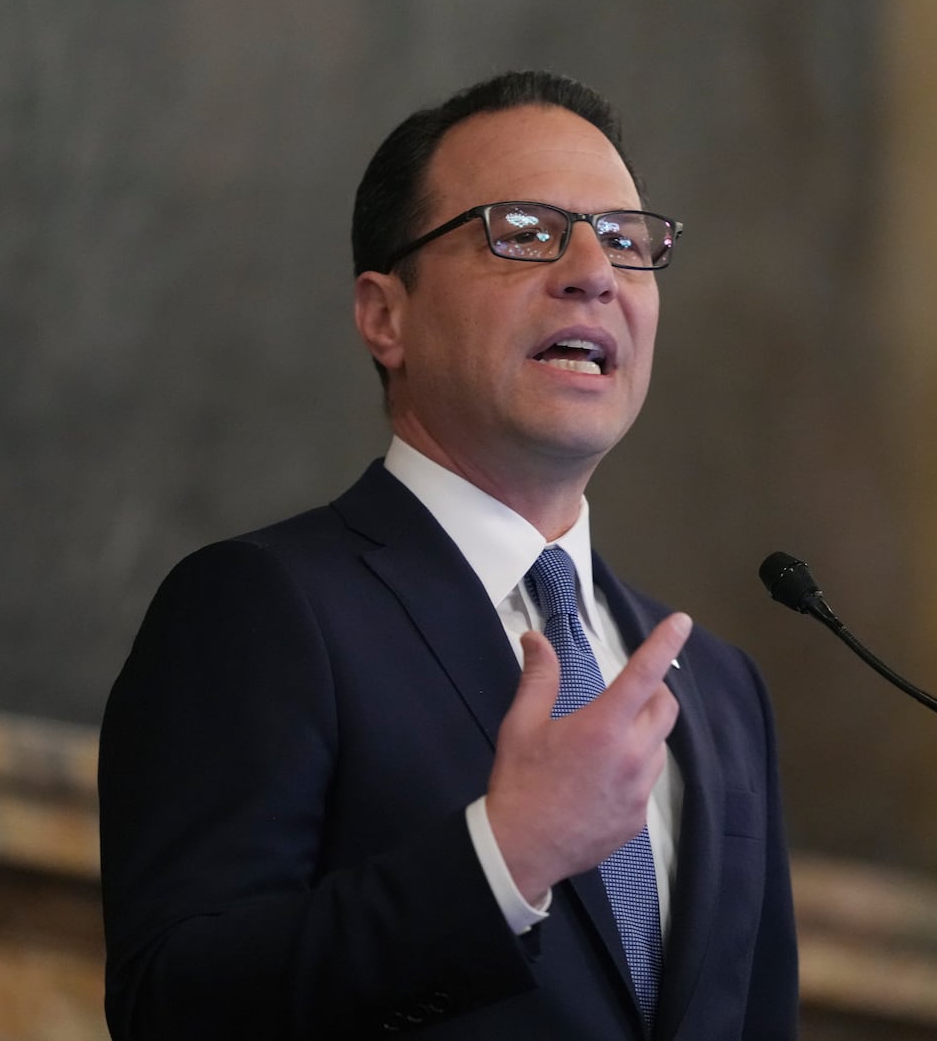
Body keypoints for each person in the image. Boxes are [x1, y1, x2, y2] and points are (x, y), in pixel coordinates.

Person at [98, 70, 798, 1039]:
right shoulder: (265, 608)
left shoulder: (718, 692)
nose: (593, 269)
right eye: (524, 230)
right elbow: (174, 1004)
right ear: (386, 315)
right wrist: (502, 857)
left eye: (627, 241)